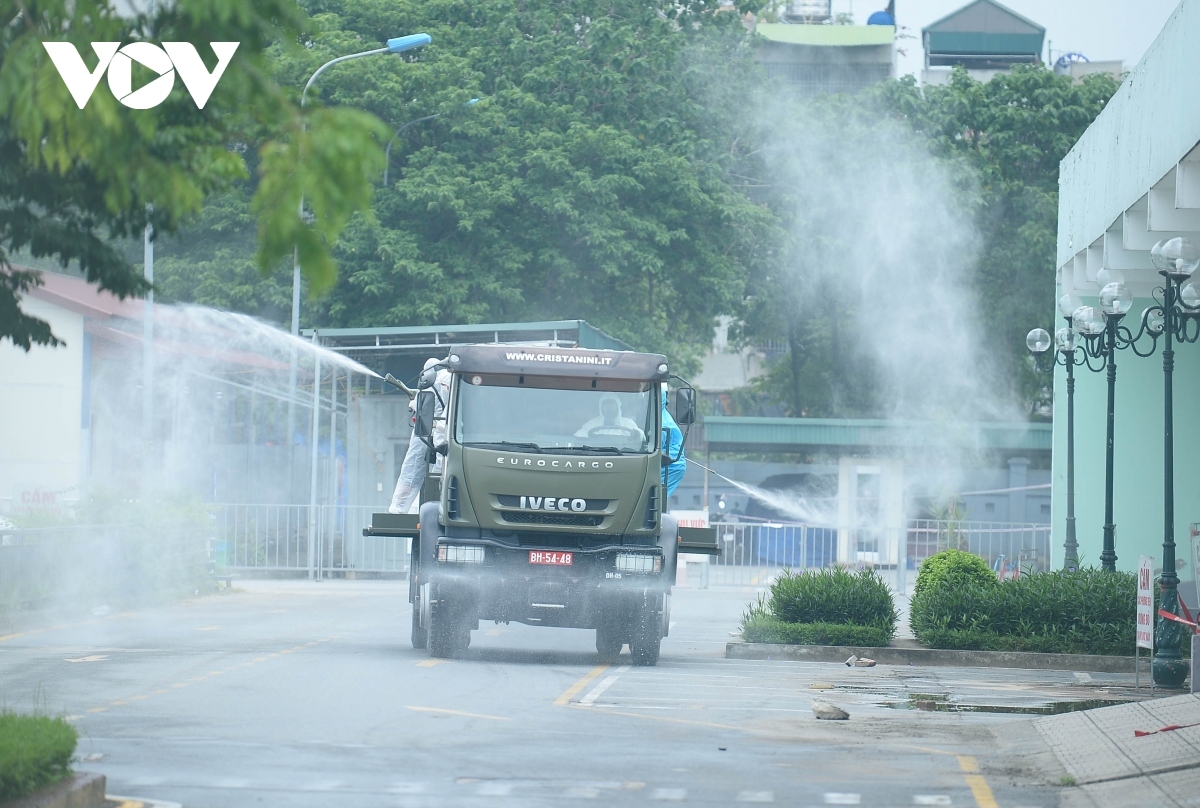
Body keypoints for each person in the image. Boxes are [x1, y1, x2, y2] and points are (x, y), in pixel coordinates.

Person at [388, 358, 451, 514]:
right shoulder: (449, 377)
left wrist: (413, 401)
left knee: (414, 463)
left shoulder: (433, 382)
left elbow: (417, 404)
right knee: (440, 468)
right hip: (444, 431)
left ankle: (399, 506)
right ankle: (439, 501)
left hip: (429, 427)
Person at [575, 393, 645, 442]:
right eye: (606, 404)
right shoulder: (593, 423)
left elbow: (640, 437)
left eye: (612, 404)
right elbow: (579, 437)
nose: (609, 407)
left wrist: (638, 434)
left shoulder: (628, 423)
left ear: (618, 406)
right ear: (601, 407)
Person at [661, 388, 685, 497]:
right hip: (668, 463)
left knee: (654, 499)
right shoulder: (661, 414)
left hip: (670, 466)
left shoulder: (660, 422)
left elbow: (654, 450)